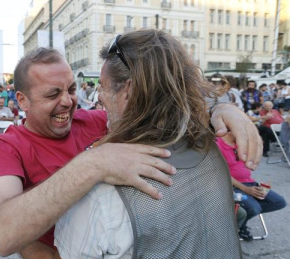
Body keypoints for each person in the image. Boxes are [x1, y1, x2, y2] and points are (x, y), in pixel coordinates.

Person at [0, 47, 262, 258]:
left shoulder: (91, 120)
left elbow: (157, 113)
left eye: (71, 89)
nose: (67, 102)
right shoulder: (6, 148)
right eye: (52, 94)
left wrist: (220, 111)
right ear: (22, 100)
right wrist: (91, 164)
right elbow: (2, 235)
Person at [55, 30, 242, 258]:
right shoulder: (211, 152)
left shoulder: (101, 196)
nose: (99, 97)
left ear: (129, 91)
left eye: (102, 86)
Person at [216, 132, 286, 241]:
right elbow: (221, 174)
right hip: (233, 186)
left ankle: (240, 218)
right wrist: (247, 190)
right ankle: (239, 227)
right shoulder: (218, 145)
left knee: (279, 202)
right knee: (253, 208)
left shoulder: (240, 143)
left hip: (250, 183)